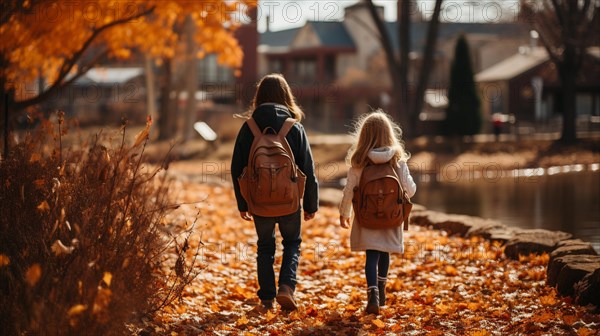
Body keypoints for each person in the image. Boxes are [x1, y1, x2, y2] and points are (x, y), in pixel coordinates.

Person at [231, 74, 319, 311]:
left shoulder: (248, 127)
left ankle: (267, 298)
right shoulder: (294, 127)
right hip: (290, 201)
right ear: (286, 95)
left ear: (259, 97)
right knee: (292, 243)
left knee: (265, 246)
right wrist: (311, 204)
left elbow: (236, 167)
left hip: (260, 201)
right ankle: (287, 287)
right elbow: (308, 169)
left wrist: (243, 203)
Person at [339, 110, 416, 314]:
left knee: (371, 255)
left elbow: (349, 191)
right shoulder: (397, 161)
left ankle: (372, 293)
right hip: (391, 217)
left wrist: (344, 213)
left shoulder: (359, 163)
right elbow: (410, 190)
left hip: (367, 218)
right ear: (389, 134)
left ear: (363, 136)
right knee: (384, 252)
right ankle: (382, 291)